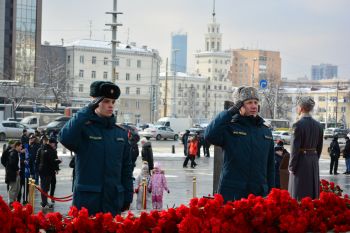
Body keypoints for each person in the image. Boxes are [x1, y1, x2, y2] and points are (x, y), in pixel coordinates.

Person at [58, 81, 133, 216]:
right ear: (94, 102)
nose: (110, 105)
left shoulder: (121, 134)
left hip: (113, 200)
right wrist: (87, 110)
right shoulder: (84, 129)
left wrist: (127, 196)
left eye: (113, 102)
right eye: (105, 101)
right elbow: (65, 138)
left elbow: (127, 168)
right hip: (87, 202)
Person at [204, 86, 275, 202]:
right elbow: (210, 135)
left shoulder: (265, 130)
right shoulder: (230, 127)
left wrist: (272, 192)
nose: (254, 106)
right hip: (233, 192)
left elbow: (270, 166)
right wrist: (230, 112)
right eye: (249, 102)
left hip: (258, 193)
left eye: (256, 102)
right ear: (239, 106)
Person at [288, 96, 323, 200]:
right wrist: (314, 159)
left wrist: (291, 166)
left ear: (301, 108)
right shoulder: (319, 125)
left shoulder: (297, 125)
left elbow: (294, 149)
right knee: (312, 193)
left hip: (301, 162)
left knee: (299, 192)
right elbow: (319, 148)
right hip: (313, 161)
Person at [36, 137, 58, 208]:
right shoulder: (51, 150)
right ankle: (44, 202)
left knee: (44, 187)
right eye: (54, 144)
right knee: (45, 187)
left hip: (42, 171)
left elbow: (37, 161)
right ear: (51, 143)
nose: (55, 145)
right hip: (48, 171)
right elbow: (53, 161)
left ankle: (44, 201)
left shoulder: (40, 149)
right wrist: (58, 162)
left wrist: (38, 170)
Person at [6, 141, 22, 205]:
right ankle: (11, 203)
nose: (21, 147)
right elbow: (12, 163)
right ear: (17, 146)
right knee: (13, 189)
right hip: (13, 174)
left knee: (17, 189)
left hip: (16, 173)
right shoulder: (13, 153)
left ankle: (13, 202)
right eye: (20, 146)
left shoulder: (16, 153)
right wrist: (17, 170)